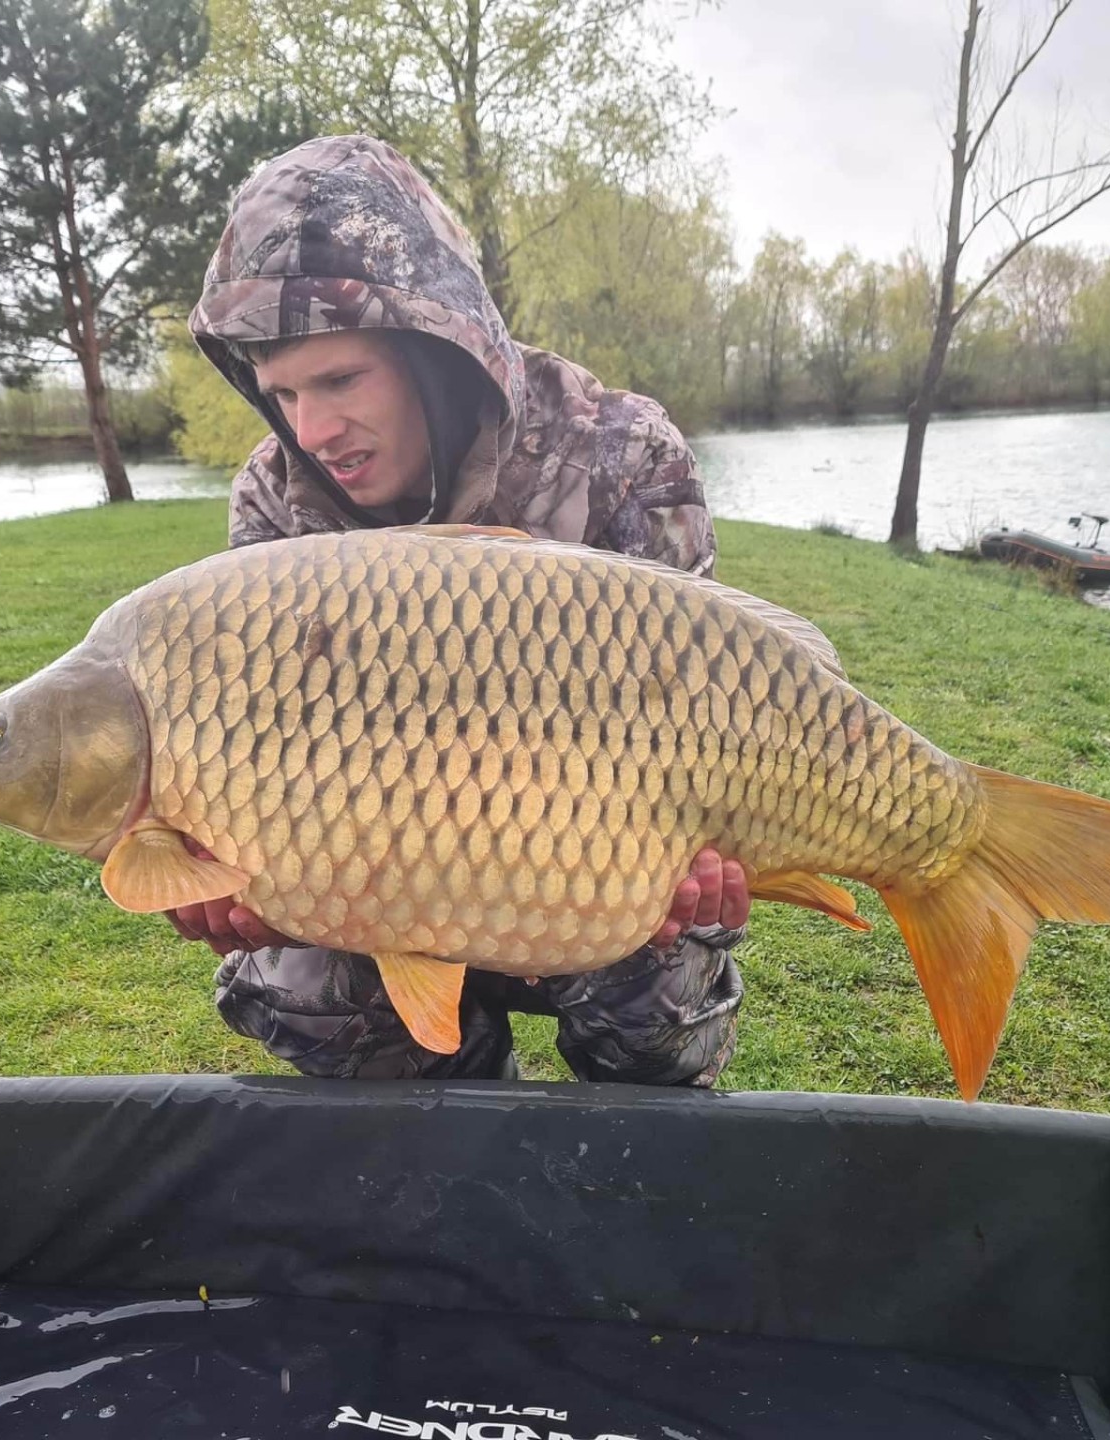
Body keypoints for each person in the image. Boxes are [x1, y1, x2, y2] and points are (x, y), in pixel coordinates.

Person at [175, 134, 749, 1085]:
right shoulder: (277, 503)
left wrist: (703, 874)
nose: (313, 432)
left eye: (340, 379)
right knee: (295, 983)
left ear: (433, 352)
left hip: (592, 872)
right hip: (379, 874)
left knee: (658, 1020)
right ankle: (461, 1130)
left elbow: (706, 714)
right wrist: (240, 873)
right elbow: (260, 752)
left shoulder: (620, 455)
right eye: (281, 394)